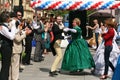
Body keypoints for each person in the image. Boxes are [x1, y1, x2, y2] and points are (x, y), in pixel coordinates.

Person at [0, 11, 17, 80]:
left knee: (7, 65)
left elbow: (12, 33)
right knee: (5, 65)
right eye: (9, 17)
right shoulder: (2, 27)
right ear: (7, 18)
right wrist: (13, 25)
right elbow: (11, 37)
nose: (11, 18)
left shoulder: (5, 26)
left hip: (7, 46)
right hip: (5, 47)